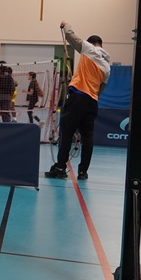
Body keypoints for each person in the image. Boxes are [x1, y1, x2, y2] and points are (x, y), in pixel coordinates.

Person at [45, 22, 111, 181]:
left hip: (78, 98)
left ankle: (60, 168)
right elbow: (100, 90)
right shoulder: (107, 67)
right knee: (87, 138)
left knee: (66, 134)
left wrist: (65, 25)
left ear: (92, 43)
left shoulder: (90, 49)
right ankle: (83, 172)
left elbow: (71, 37)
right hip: (92, 102)